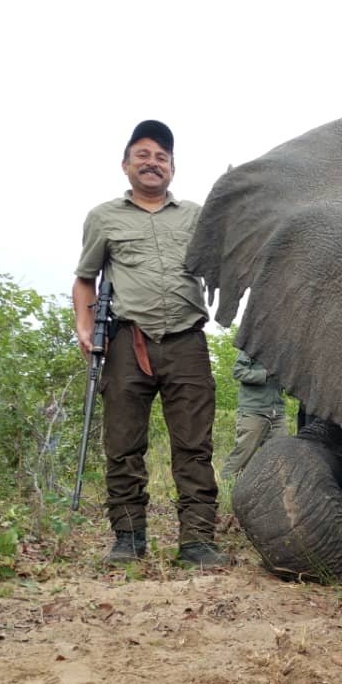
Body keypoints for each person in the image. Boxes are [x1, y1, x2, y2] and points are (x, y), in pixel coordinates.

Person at [73, 120, 227, 567]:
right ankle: (128, 539)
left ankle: (197, 542)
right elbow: (85, 280)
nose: (152, 163)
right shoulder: (103, 217)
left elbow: (220, 263)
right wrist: (86, 330)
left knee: (195, 446)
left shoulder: (196, 216)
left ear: (172, 169)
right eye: (142, 155)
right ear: (126, 165)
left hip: (186, 343)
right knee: (123, 445)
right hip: (126, 343)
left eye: (161, 157)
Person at [222, 349, 287, 481]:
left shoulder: (284, 351)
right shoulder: (252, 346)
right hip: (253, 411)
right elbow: (238, 372)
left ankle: (276, 495)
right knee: (242, 456)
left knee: (282, 456)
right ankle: (225, 490)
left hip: (277, 413)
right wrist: (266, 374)